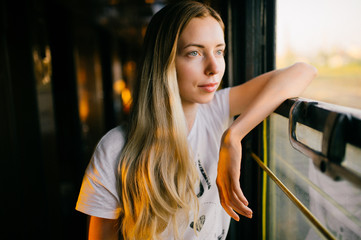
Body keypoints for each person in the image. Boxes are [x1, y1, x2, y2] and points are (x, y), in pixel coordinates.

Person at [75, 1, 317, 239]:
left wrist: (233, 135)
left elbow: (303, 71)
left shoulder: (217, 110)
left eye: (219, 51)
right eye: (194, 52)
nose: (214, 67)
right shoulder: (115, 149)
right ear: (164, 61)